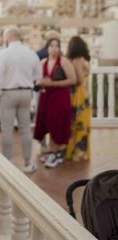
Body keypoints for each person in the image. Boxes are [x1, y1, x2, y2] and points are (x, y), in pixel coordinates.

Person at [0, 26, 42, 173]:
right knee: (25, 129)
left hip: (8, 93)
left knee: (6, 130)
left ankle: (7, 163)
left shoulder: (4, 54)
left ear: (7, 38)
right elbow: (37, 77)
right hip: (26, 93)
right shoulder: (31, 53)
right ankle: (27, 163)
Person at [33, 35, 77, 168]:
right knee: (47, 123)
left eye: (57, 46)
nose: (54, 48)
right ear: (47, 48)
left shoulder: (63, 61)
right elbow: (39, 80)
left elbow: (73, 80)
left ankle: (55, 153)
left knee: (57, 123)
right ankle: (52, 152)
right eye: (52, 46)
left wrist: (53, 83)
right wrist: (40, 83)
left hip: (60, 97)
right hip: (46, 97)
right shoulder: (43, 62)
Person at [65, 36, 92, 162]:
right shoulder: (83, 60)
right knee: (83, 124)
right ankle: (81, 152)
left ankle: (74, 151)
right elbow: (82, 79)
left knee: (75, 123)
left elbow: (78, 79)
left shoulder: (74, 61)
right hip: (84, 95)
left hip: (77, 95)